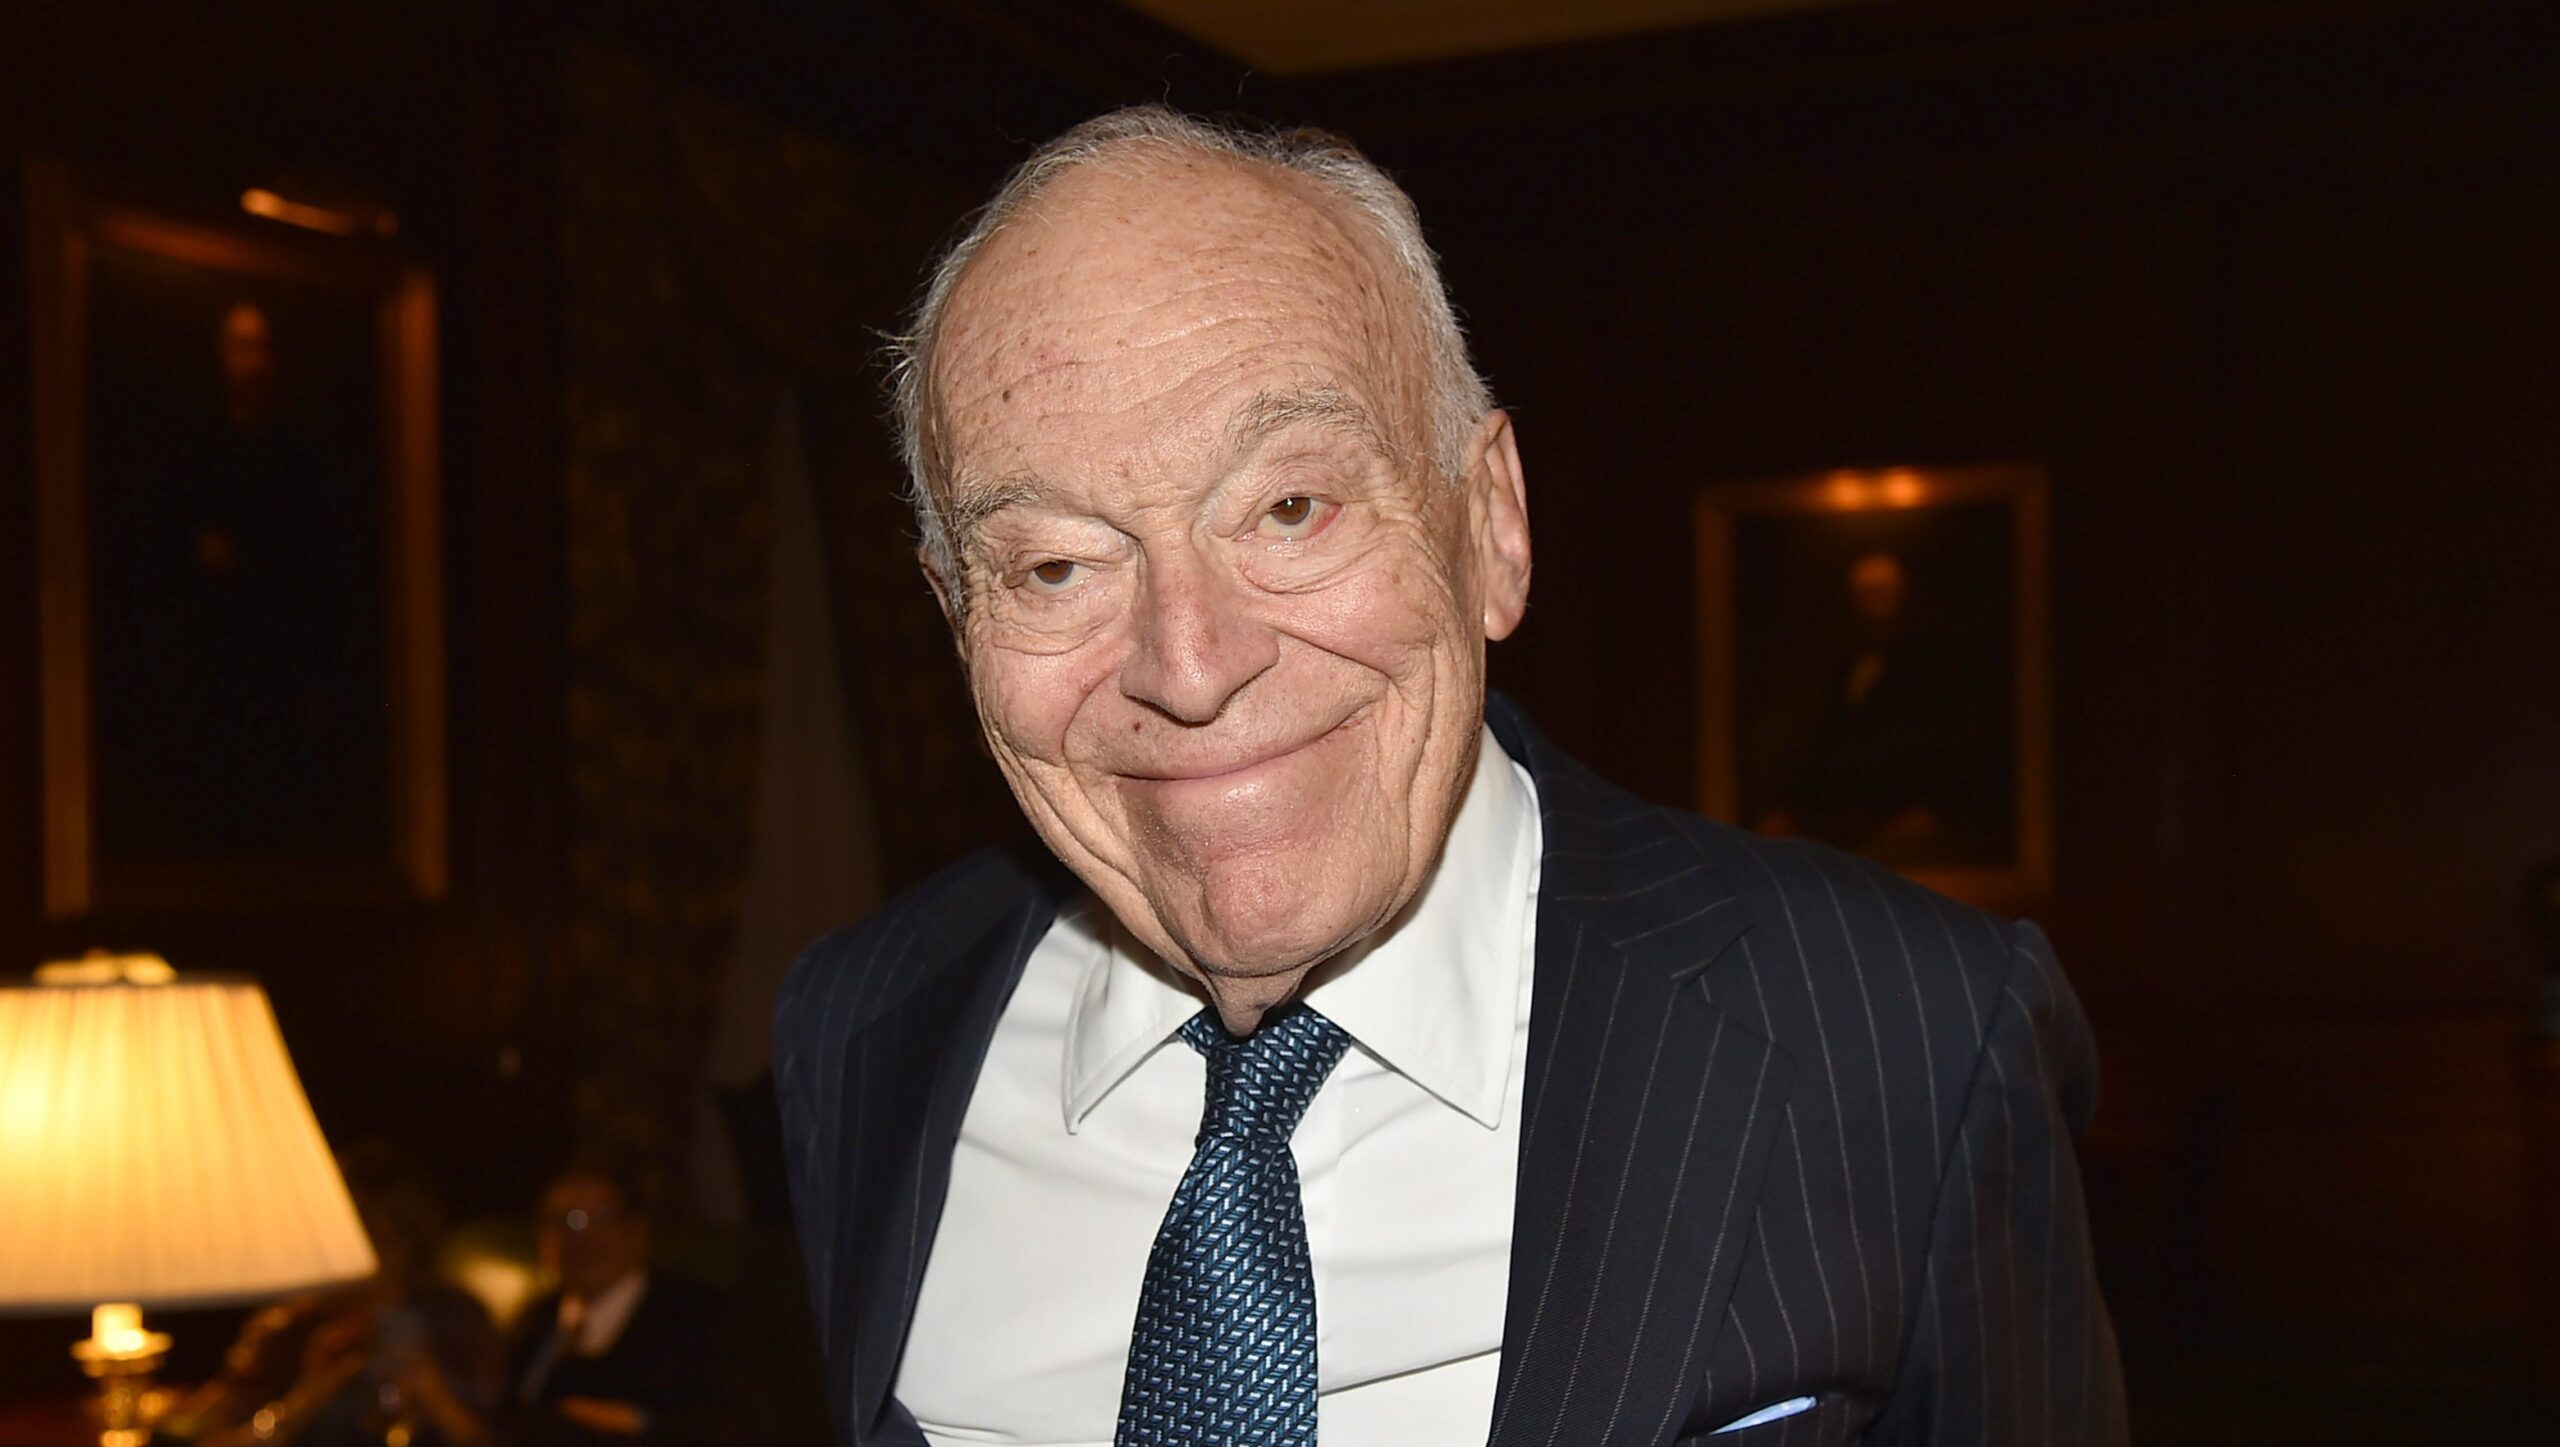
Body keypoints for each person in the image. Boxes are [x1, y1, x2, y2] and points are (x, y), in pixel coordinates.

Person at [775, 106, 2126, 1446]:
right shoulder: (868, 1025)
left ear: (1490, 523)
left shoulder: (1914, 1040)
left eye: (1289, 508)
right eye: (1055, 565)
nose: (1187, 666)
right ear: (956, 616)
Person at [177, 1143, 496, 1447]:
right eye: (353, 1238)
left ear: (413, 1240)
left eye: (380, 1236)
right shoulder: (287, 1327)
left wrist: (434, 1395)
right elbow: (210, 1436)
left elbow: (493, 1438)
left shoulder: (458, 1322)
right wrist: (306, 1398)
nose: (366, 1256)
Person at [499, 1154, 728, 1446]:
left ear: (638, 1231)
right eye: (568, 1221)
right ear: (543, 1240)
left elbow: (727, 1424)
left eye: (604, 1217)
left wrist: (635, 1422)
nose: (584, 1238)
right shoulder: (533, 1320)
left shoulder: (697, 1316)